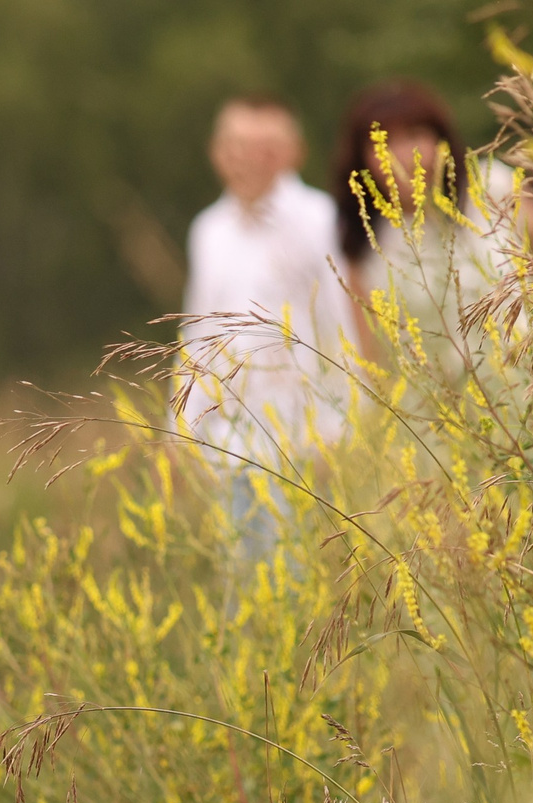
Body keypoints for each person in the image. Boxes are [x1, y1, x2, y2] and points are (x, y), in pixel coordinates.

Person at [180, 95, 354, 575]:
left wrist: (336, 433)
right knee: (241, 587)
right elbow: (197, 329)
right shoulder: (208, 230)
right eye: (236, 145)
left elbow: (341, 327)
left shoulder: (320, 220)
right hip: (229, 446)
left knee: (302, 589)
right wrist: (183, 425)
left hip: (303, 446)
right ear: (216, 152)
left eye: (265, 146)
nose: (249, 158)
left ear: (293, 152)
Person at [332, 80, 498, 356]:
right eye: (381, 143)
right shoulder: (367, 243)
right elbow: (376, 355)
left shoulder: (493, 191)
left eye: (413, 135)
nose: (401, 156)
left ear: (440, 141)